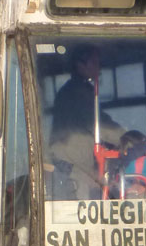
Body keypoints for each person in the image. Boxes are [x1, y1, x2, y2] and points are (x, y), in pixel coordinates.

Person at [48, 45, 123, 199]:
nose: (99, 67)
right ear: (80, 64)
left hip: (74, 162)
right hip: (71, 164)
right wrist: (127, 138)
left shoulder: (75, 90)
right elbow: (100, 124)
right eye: (94, 62)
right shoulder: (76, 92)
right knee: (82, 209)